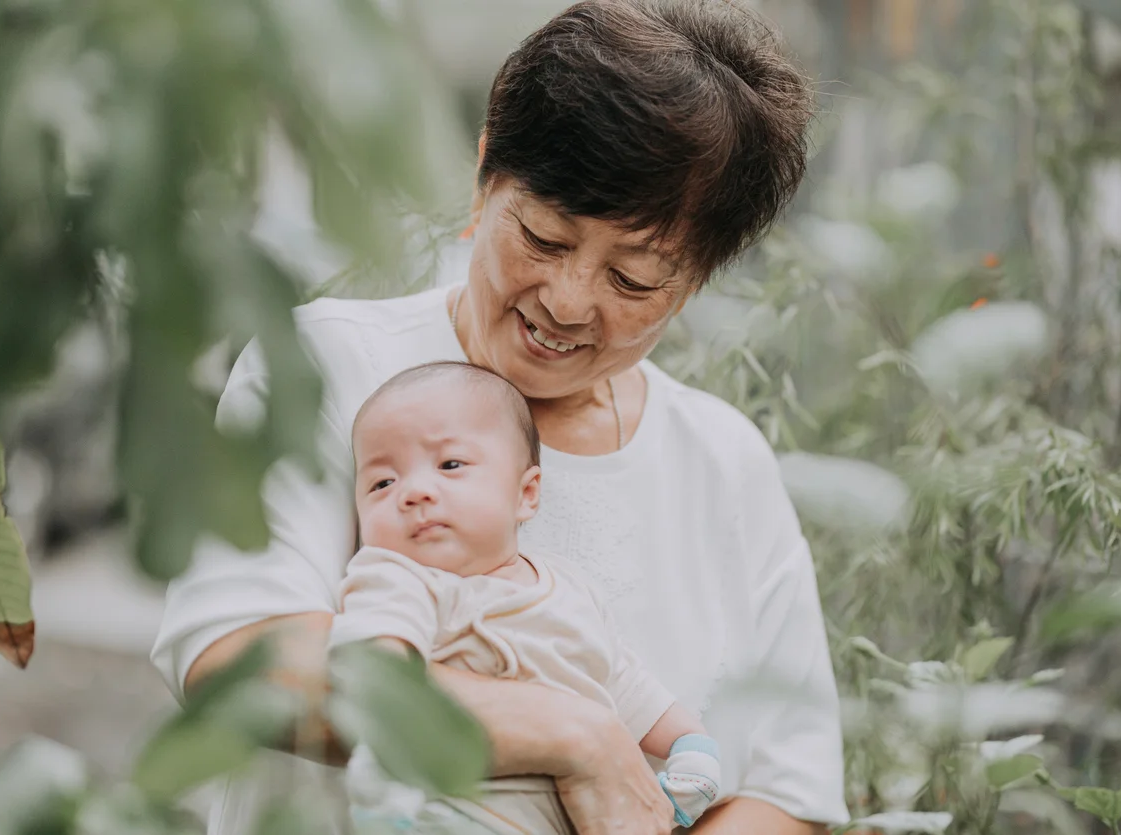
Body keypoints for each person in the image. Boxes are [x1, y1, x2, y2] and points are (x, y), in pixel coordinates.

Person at [152, 1, 849, 833]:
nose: (565, 300)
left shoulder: (722, 461)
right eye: (545, 238)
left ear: (698, 278)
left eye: (632, 281)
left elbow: (787, 792)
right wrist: (575, 733)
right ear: (486, 176)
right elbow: (245, 662)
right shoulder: (327, 368)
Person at [340, 361, 721, 833]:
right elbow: (378, 668)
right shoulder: (400, 579)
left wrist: (691, 745)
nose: (414, 492)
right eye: (382, 483)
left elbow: (625, 683)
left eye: (450, 465)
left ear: (527, 494)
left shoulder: (572, 590)